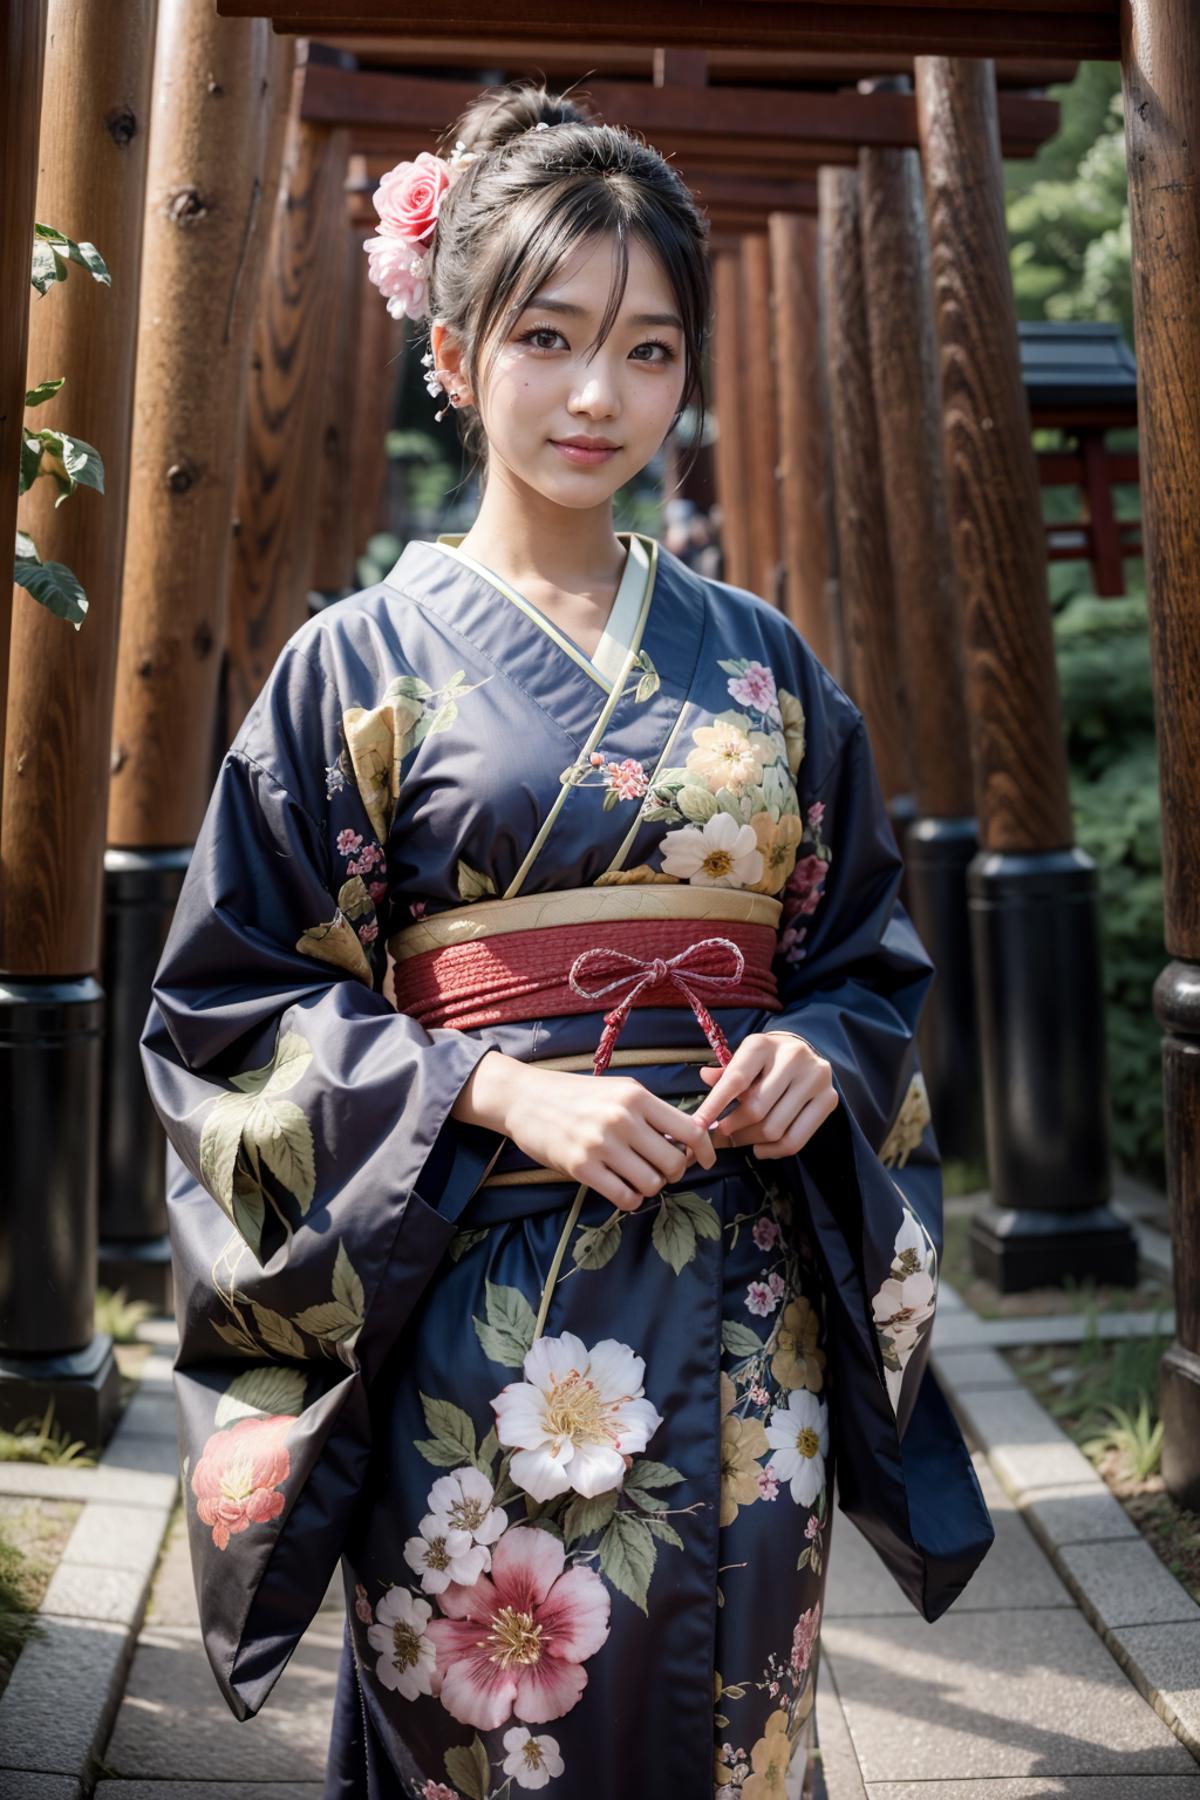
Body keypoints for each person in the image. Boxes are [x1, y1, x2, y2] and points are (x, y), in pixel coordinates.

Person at [140, 79, 994, 1800]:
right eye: (548, 335)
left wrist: (819, 1053)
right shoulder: (352, 670)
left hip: (751, 1331)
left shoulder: (765, 665)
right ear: (454, 350)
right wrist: (499, 1094)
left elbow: (864, 955)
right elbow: (232, 1011)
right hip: (476, 1318)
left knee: (736, 1729)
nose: (601, 394)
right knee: (484, 1727)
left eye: (652, 349)